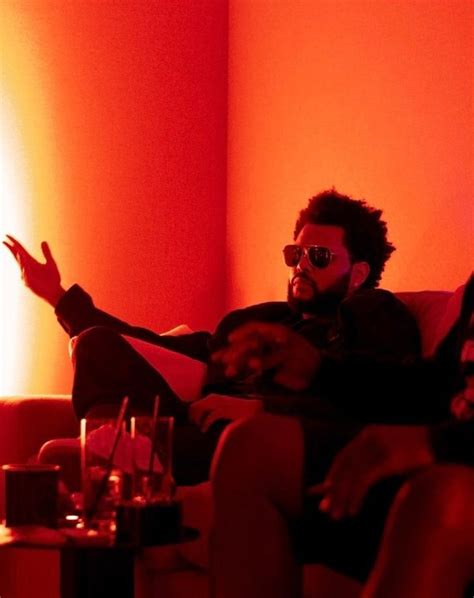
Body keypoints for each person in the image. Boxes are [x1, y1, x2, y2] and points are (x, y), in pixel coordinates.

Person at [3, 189, 420, 484]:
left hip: (248, 439)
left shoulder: (371, 311)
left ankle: (114, 469)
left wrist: (259, 410)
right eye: (296, 255)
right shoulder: (262, 320)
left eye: (319, 257)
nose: (300, 267)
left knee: (63, 458)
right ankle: (117, 468)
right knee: (96, 345)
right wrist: (57, 297)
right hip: (194, 413)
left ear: (359, 274)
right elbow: (152, 350)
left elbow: (374, 396)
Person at [210, 274, 474, 598]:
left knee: (444, 496)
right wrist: (319, 369)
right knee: (251, 449)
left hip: (456, 477)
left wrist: (435, 443)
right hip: (445, 456)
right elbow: (440, 386)